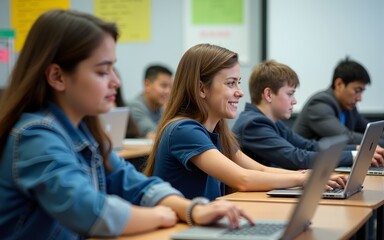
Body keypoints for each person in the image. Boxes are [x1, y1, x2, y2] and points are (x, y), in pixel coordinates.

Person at [0, 10, 254, 239]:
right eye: (102, 71)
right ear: (57, 76)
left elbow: (134, 183)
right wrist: (164, 215)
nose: (116, 82)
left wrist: (191, 209)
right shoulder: (35, 136)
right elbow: (91, 212)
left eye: (114, 69)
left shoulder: (84, 134)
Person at [144, 44, 347, 201]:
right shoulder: (183, 130)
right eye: (231, 83)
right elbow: (243, 179)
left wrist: (305, 175)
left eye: (238, 83)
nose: (240, 92)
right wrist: (302, 179)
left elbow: (259, 170)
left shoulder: (217, 131)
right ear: (201, 88)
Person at [232, 60, 384, 170]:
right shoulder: (253, 124)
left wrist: (357, 149)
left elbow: (308, 146)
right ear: (268, 94)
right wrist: (354, 156)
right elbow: (296, 158)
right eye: (290, 94)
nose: (294, 101)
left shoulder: (273, 122)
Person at [292, 58, 384, 146]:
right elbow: (346, 138)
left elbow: (371, 132)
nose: (359, 98)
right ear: (339, 84)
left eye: (361, 92)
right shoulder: (319, 104)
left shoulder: (349, 107)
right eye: (357, 90)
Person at [129, 64, 173, 139]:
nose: (168, 91)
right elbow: (154, 134)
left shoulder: (160, 108)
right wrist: (168, 112)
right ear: (147, 85)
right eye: (164, 86)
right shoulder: (134, 107)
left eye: (171, 87)